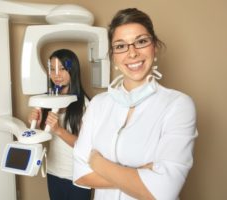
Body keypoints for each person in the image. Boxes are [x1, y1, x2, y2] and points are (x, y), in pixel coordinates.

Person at [73, 8, 198, 200]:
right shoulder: (97, 104)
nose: (132, 53)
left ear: (154, 46)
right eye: (121, 46)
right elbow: (81, 176)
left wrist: (98, 164)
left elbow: (162, 192)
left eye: (141, 41)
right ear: (113, 55)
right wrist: (140, 173)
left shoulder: (178, 105)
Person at [29, 49, 91, 200]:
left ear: (73, 70)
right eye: (52, 69)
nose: (56, 74)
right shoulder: (47, 101)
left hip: (77, 175)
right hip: (54, 172)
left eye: (62, 69)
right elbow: (43, 135)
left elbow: (86, 146)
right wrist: (35, 124)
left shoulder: (84, 105)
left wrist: (58, 130)